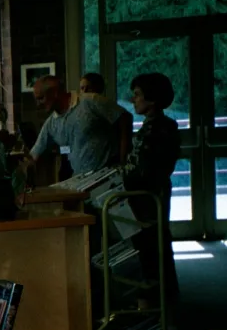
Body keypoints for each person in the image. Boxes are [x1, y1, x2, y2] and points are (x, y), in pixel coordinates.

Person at [124, 72, 181, 303]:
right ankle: (163, 306)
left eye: (137, 95)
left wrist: (121, 175)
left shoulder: (155, 130)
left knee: (151, 251)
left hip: (147, 199)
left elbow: (142, 169)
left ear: (152, 99)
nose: (133, 100)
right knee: (159, 249)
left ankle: (156, 305)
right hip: (155, 195)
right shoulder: (163, 126)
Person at [25, 75, 132, 174]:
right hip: (81, 178)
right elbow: (34, 153)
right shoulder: (51, 123)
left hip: (107, 174)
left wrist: (123, 159)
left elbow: (124, 117)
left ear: (55, 93)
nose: (38, 104)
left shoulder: (90, 101)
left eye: (41, 98)